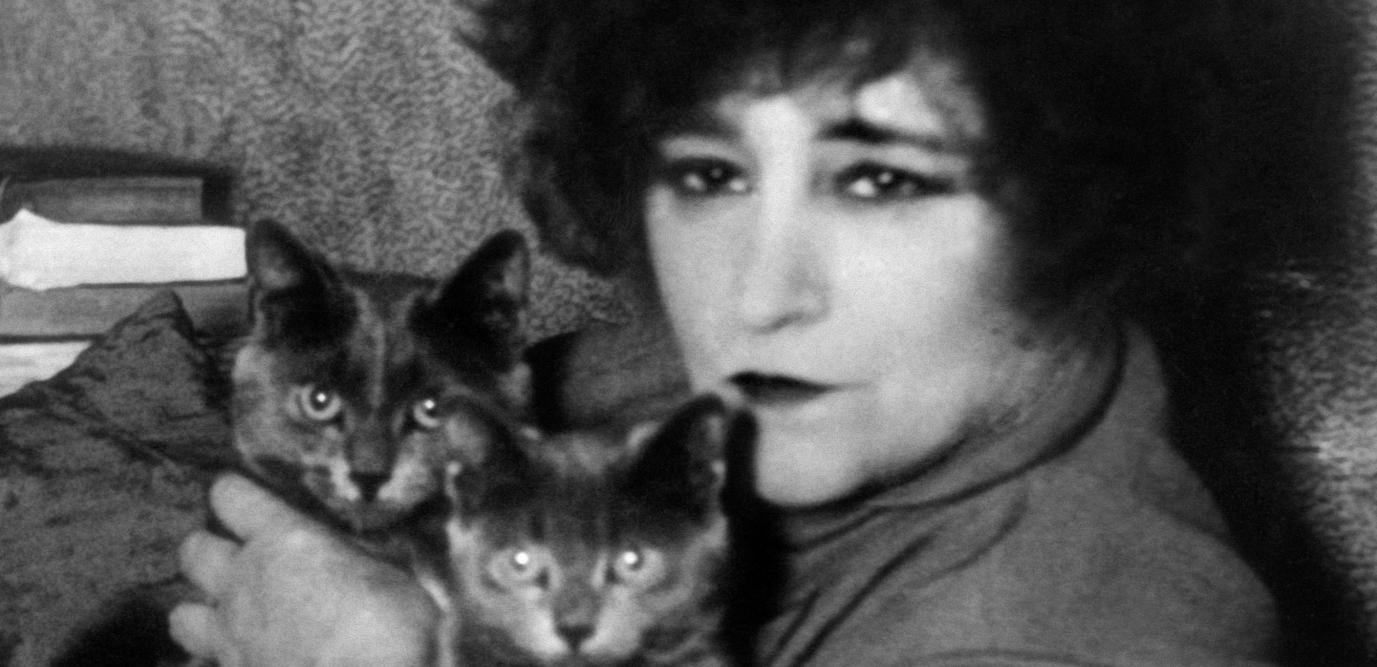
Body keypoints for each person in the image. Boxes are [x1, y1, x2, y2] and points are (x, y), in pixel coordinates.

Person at [171, 0, 1281, 664]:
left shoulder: (1064, 633)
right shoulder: (747, 384)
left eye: (881, 179)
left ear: (1079, 197)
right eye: (710, 174)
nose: (760, 291)